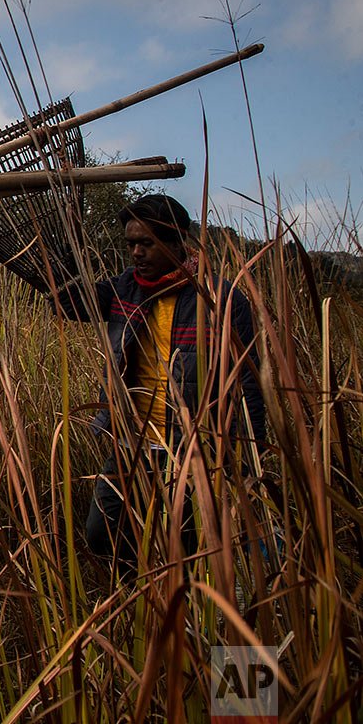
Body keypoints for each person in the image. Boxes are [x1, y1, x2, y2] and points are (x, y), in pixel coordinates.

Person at [57, 193, 266, 576]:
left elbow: (246, 381)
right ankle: (138, 600)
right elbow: (70, 304)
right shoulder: (124, 290)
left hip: (191, 447)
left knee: (186, 544)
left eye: (147, 243)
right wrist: (57, 259)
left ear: (176, 242)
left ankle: (181, 617)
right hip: (132, 442)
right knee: (102, 532)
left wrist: (250, 453)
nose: (136, 252)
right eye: (131, 243)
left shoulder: (219, 299)